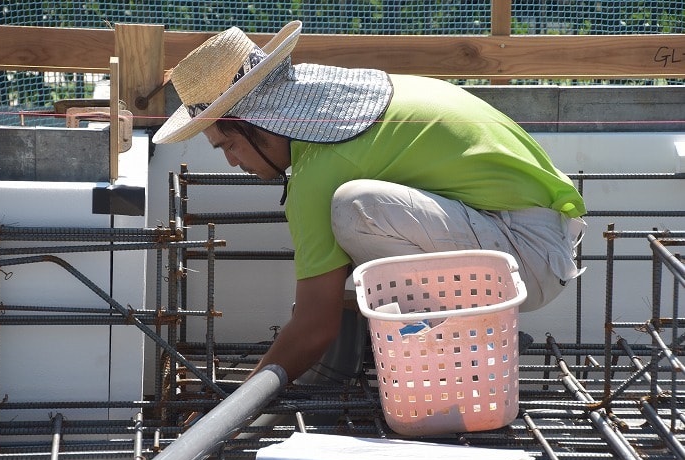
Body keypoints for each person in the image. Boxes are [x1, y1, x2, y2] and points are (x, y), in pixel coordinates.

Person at [152, 20, 587, 384]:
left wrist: (236, 408)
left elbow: (313, 327)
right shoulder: (351, 114)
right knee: (354, 228)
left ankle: (464, 354)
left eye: (229, 144)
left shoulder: (321, 169)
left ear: (258, 123)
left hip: (527, 258)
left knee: (356, 209)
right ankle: (458, 342)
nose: (231, 162)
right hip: (537, 242)